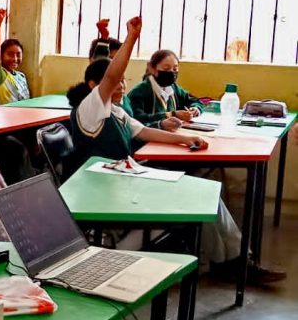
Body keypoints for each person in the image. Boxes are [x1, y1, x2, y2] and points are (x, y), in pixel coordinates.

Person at [64, 16, 284, 285]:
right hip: (108, 193)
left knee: (207, 195)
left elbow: (143, 131)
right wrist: (131, 38)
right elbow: (110, 75)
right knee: (197, 199)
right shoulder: (90, 109)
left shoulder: (116, 110)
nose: (121, 85)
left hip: (126, 183)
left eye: (124, 81)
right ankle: (229, 262)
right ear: (92, 87)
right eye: (117, 82)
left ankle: (236, 260)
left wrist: (186, 139)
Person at [126, 49, 203, 128]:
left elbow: (194, 100)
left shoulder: (174, 88)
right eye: (166, 69)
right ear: (152, 68)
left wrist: (195, 108)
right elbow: (137, 119)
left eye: (175, 69)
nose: (171, 72)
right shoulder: (139, 92)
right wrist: (171, 114)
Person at [0, 9, 30, 104]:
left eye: (18, 54)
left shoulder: (22, 76)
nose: (15, 59)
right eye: (10, 54)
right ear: (1, 56)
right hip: (5, 116)